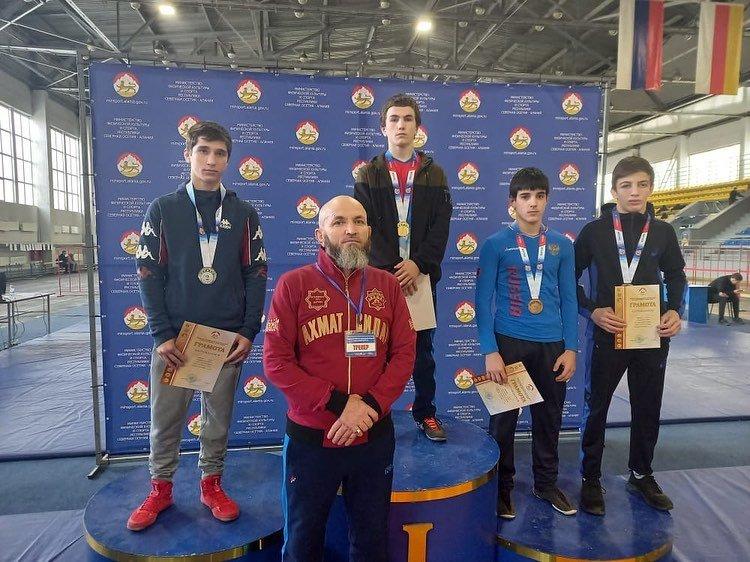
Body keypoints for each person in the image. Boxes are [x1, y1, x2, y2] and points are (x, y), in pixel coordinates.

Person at [127, 121, 268, 531]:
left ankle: (211, 484)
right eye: (203, 151)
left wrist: (248, 331)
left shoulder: (243, 214)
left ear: (228, 159)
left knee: (217, 421)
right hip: (177, 340)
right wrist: (161, 334)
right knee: (165, 420)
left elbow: (256, 273)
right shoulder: (164, 209)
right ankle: (160, 489)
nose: (211, 160)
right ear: (187, 154)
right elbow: (148, 273)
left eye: (220, 153)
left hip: (224, 339)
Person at [263, 195, 415, 562]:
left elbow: (404, 355)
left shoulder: (387, 286)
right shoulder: (294, 284)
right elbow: (276, 362)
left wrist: (370, 407)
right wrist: (338, 404)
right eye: (339, 222)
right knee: (302, 542)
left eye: (359, 221)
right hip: (313, 438)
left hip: (373, 437)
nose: (350, 230)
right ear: (320, 235)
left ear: (369, 232)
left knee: (371, 541)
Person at [575, 156, 686, 515]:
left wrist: (675, 311)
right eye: (626, 185)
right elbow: (567, 279)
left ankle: (641, 473)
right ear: (614, 191)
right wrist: (592, 310)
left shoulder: (664, 231)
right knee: (597, 406)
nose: (634, 192)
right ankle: (590, 477)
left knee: (648, 406)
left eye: (641, 185)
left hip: (652, 333)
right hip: (609, 332)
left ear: (651, 188)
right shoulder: (594, 231)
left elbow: (677, 275)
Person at [475, 167, 578, 519]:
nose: (533, 203)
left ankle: (545, 484)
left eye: (539, 196)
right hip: (508, 343)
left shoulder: (562, 245)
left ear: (547, 200)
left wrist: (571, 347)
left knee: (548, 420)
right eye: (525, 196)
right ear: (513, 203)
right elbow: (482, 302)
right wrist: (490, 351)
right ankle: (501, 488)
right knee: (503, 422)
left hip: (552, 345)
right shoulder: (495, 245)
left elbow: (569, 299)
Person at [354, 93, 452, 441]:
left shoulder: (434, 173)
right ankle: (373, 414)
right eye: (393, 119)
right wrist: (397, 267)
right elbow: (364, 227)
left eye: (407, 119)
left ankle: (426, 413)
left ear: (417, 127)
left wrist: (417, 264)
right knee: (375, 350)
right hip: (381, 278)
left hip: (420, 278)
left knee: (423, 354)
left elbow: (441, 226)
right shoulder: (368, 174)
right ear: (383, 128)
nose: (401, 125)